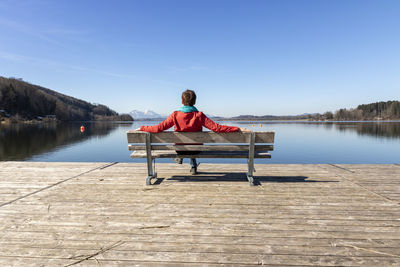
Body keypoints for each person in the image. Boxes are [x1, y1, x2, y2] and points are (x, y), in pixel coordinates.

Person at [136, 89, 249, 174]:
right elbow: (217, 128)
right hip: (196, 150)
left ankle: (180, 158)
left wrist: (142, 128)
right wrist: (237, 128)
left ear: (181, 101)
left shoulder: (175, 115)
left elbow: (158, 128)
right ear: (194, 101)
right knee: (193, 143)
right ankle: (193, 166)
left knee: (184, 143)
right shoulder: (199, 115)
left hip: (180, 150)